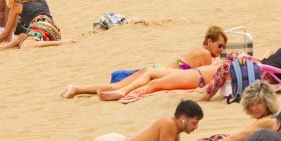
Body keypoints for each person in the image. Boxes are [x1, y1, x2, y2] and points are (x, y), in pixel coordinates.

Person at [62, 27, 227, 98]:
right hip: (158, 72)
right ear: (210, 41)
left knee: (115, 85)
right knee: (117, 87)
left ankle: (77, 89)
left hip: (157, 68)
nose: (221, 49)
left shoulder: (198, 50)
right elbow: (205, 77)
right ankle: (76, 89)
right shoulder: (205, 53)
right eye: (219, 45)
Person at [15, 99, 204, 141]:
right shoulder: (168, 124)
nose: (196, 127)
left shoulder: (173, 126)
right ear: (183, 119)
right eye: (194, 122)